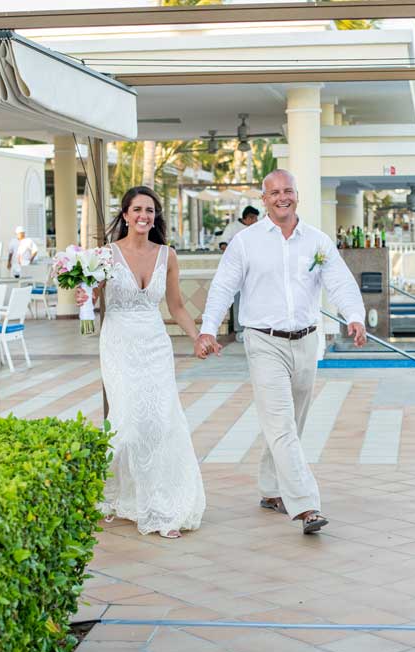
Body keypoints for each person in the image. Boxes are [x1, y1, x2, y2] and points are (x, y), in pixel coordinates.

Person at [195, 169, 367, 535]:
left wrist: (355, 317)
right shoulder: (246, 242)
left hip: (306, 340)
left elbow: (339, 282)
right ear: (264, 199)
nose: (282, 197)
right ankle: (306, 505)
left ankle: (271, 488)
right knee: (281, 423)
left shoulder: (317, 242)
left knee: (293, 423)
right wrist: (208, 328)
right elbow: (223, 287)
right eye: (274, 193)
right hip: (264, 341)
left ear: (297, 195)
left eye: (288, 190)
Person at [75, 186, 208, 539]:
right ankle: (121, 493)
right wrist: (83, 293)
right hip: (119, 345)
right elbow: (92, 296)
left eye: (149, 210)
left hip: (155, 346)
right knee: (130, 425)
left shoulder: (168, 255)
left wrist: (197, 337)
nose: (143, 216)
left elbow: (177, 307)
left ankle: (160, 506)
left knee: (160, 422)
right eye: (137, 209)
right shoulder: (106, 255)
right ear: (125, 214)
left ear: (155, 216)